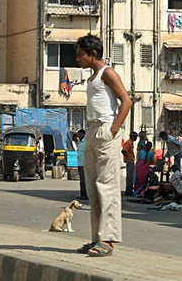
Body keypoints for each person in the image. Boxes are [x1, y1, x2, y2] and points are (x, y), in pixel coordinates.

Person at [75, 34, 131, 257]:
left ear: (93, 54)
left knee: (107, 187)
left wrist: (114, 128)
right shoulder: (92, 78)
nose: (78, 59)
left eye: (81, 54)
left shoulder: (107, 73)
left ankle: (108, 239)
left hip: (105, 129)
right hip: (91, 131)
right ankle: (97, 238)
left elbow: (126, 101)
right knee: (93, 189)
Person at [122, 131, 138, 196]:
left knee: (130, 176)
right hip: (130, 161)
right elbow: (123, 150)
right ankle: (128, 191)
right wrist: (128, 158)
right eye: (135, 137)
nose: (136, 138)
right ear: (133, 137)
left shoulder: (131, 143)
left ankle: (129, 190)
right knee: (129, 176)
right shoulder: (128, 143)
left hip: (130, 160)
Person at [77, 129, 88, 200]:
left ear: (83, 134)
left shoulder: (86, 142)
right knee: (81, 180)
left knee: (84, 180)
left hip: (85, 163)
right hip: (80, 163)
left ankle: (85, 195)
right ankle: (83, 193)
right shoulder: (80, 142)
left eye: (80, 134)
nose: (78, 136)